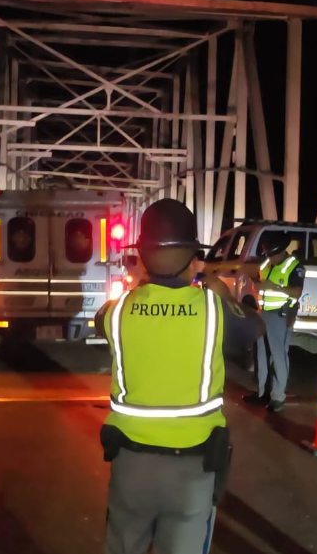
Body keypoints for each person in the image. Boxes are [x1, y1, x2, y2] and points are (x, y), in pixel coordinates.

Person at [95, 199, 263, 554]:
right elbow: (254, 329)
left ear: (143, 256)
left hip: (130, 468)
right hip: (192, 469)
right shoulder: (214, 310)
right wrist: (219, 289)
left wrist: (142, 288)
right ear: (193, 258)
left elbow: (101, 319)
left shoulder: (117, 310)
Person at [242, 231, 304, 413]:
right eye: (267, 254)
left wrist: (274, 287)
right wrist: (257, 285)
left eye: (272, 254)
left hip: (280, 315)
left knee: (278, 356)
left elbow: (297, 292)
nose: (270, 258)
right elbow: (262, 282)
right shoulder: (267, 264)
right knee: (260, 354)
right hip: (263, 313)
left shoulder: (294, 266)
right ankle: (262, 393)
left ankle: (278, 398)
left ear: (282, 251)